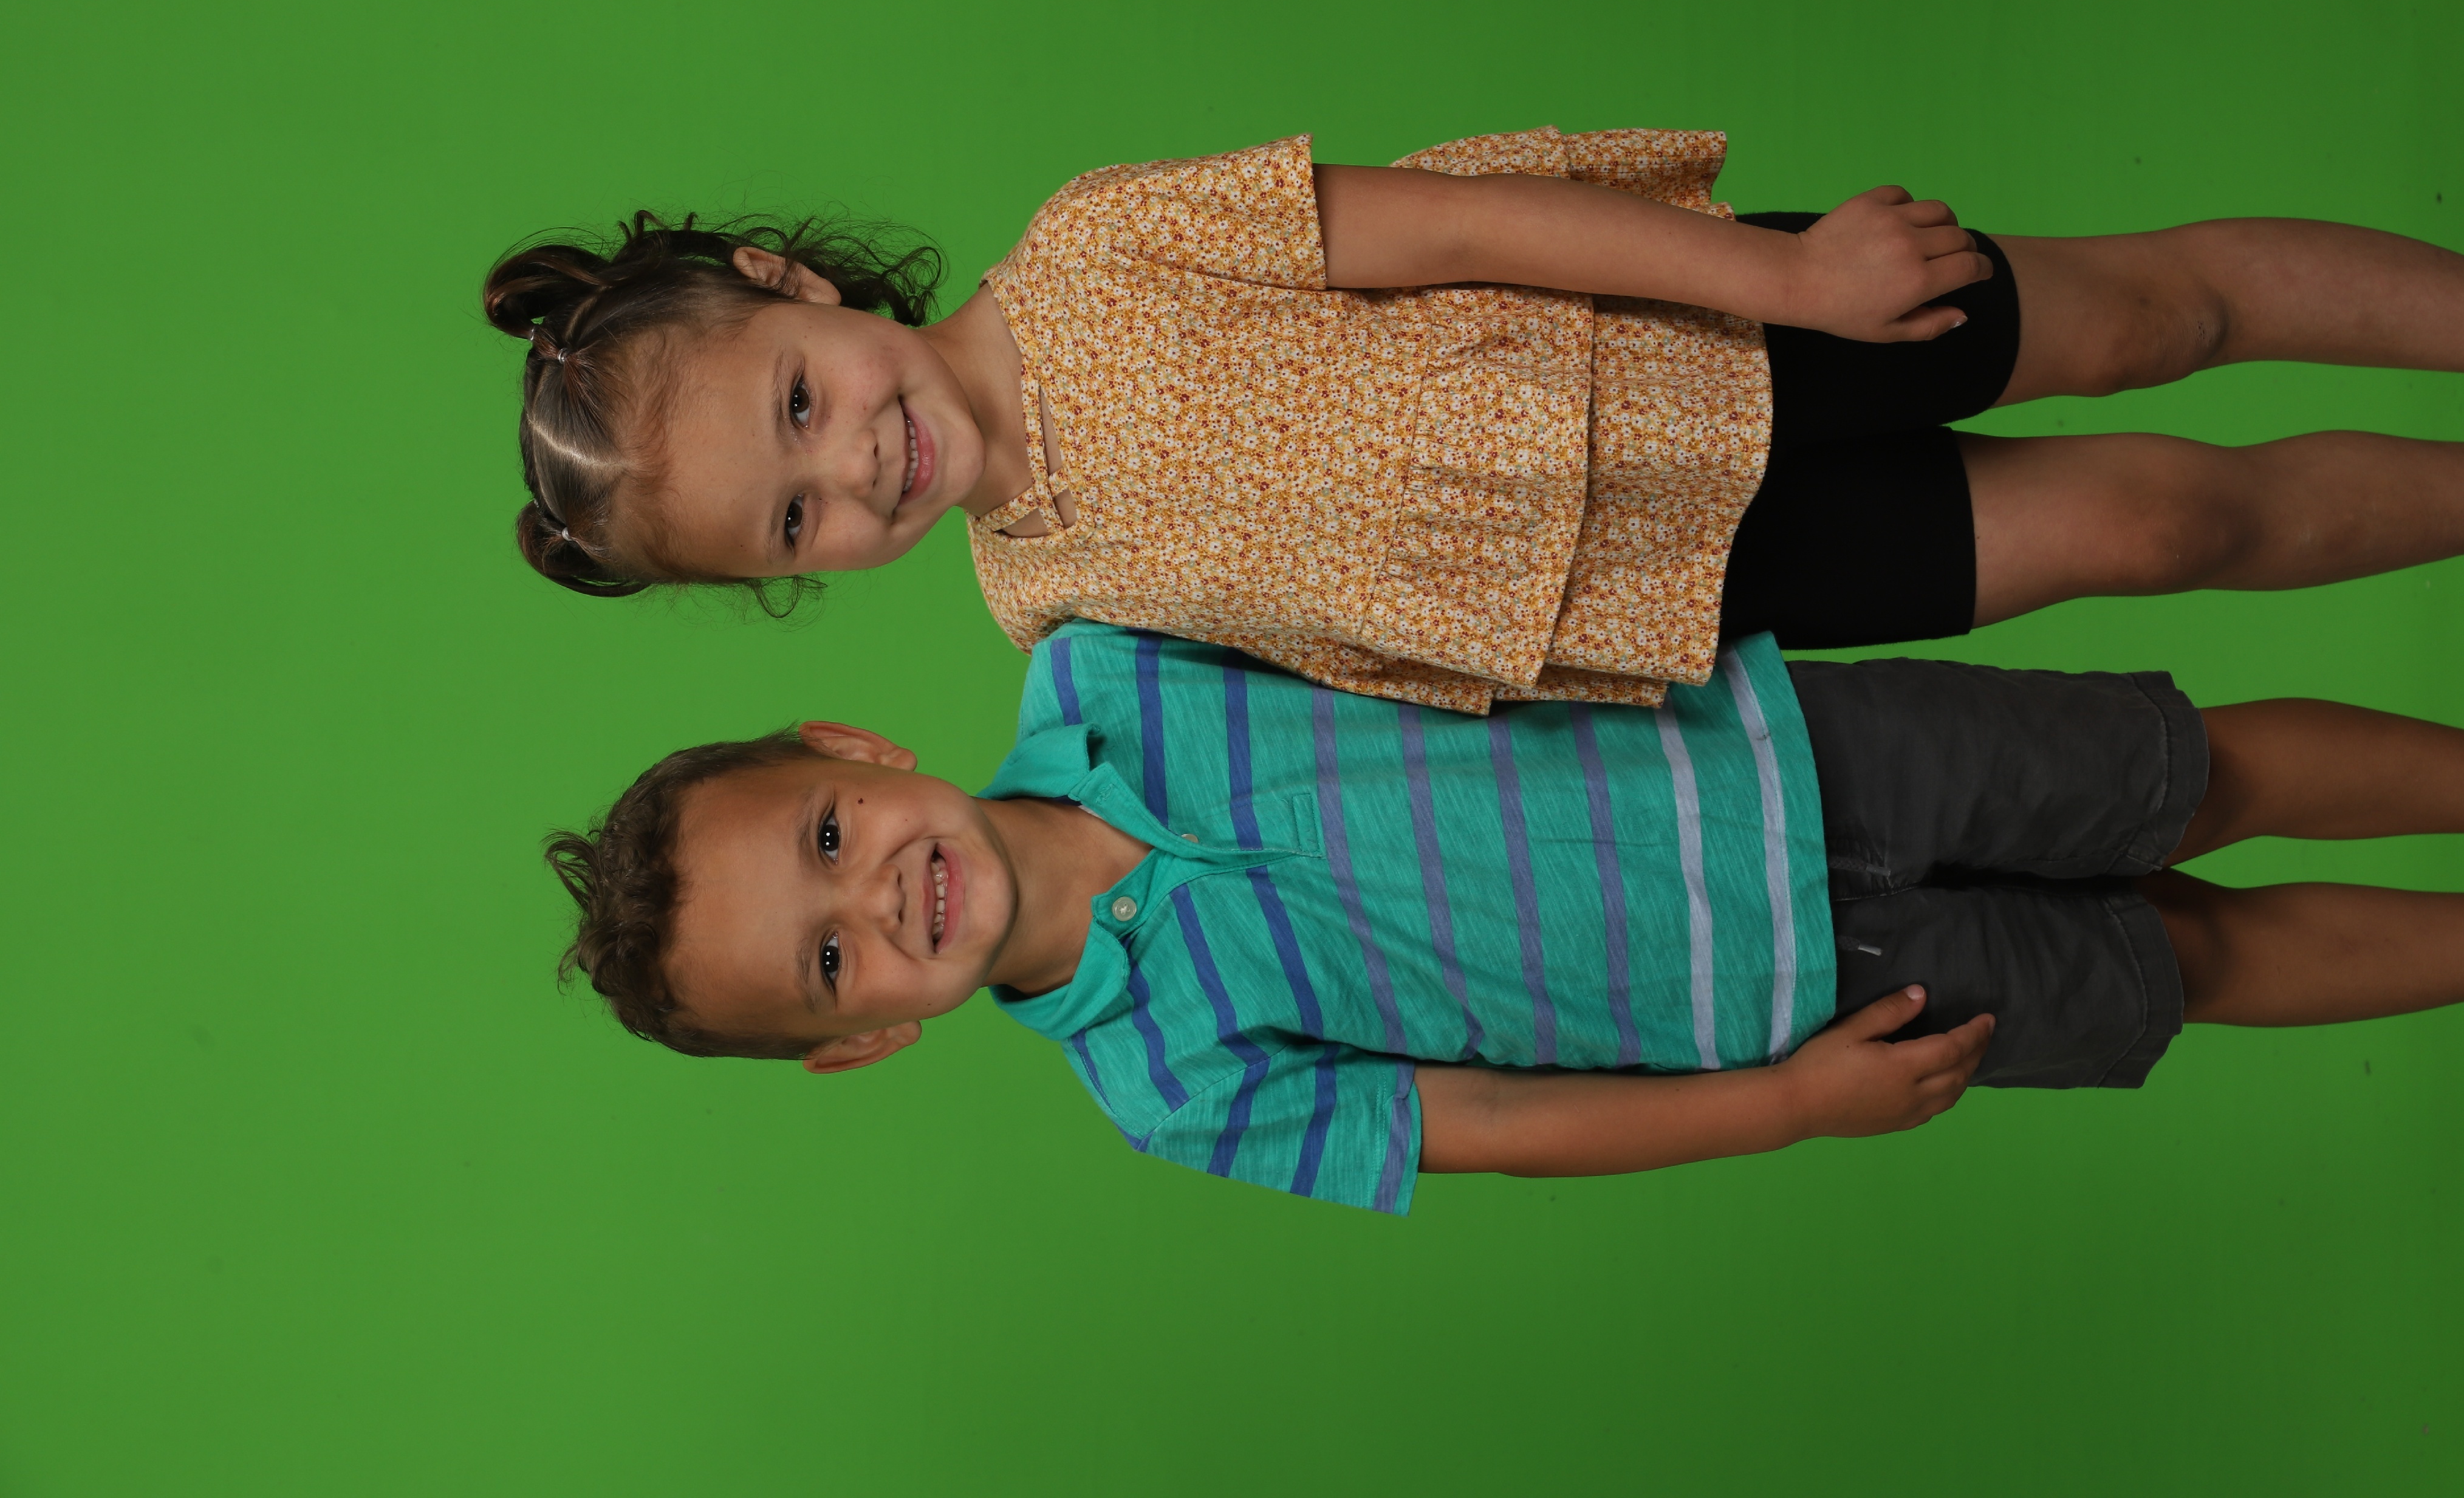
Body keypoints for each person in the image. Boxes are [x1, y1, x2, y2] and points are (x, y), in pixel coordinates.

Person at [485, 127, 2464, 714]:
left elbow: (1454, 224)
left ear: (798, 287)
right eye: (795, 520)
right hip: (1684, 588)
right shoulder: (1047, 612)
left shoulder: (1091, 245)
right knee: (2162, 528)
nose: (853, 468)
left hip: (1703, 341)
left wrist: (1789, 280)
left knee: (2151, 319)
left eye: (801, 404)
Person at [544, 621, 2464, 1213]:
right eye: (829, 959)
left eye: (825, 835)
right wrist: (1784, 1107)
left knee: (2187, 775)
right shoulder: (1164, 1088)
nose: (877, 895)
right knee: (2179, 962)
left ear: (850, 747)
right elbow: (1486, 1122)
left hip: (1786, 745)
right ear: (869, 1037)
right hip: (1792, 998)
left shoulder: (1111, 652)